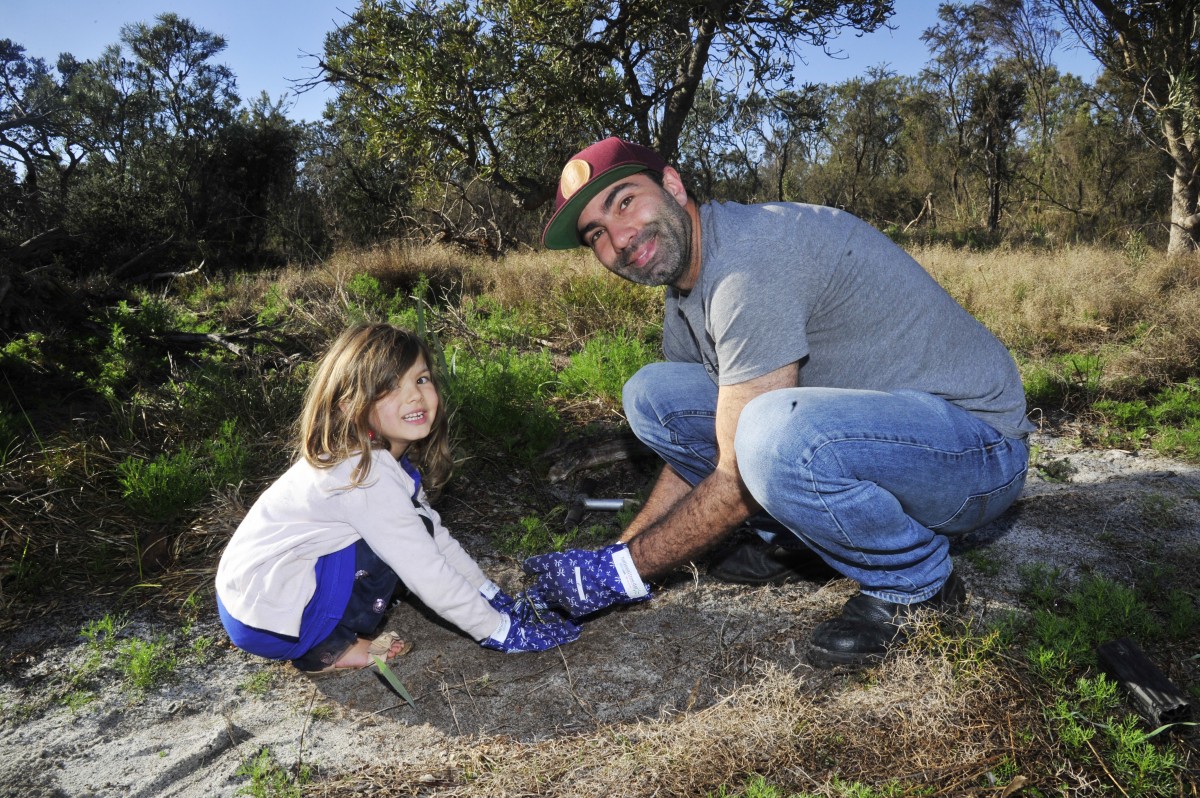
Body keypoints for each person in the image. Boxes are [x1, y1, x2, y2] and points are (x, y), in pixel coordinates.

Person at [524, 137, 1033, 668]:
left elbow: (736, 471)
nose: (621, 238)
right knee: (653, 395)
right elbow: (702, 453)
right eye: (596, 234)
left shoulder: (748, 264)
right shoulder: (685, 295)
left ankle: (918, 585)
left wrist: (625, 572)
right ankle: (796, 540)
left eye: (625, 201)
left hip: (976, 451)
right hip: (879, 432)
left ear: (672, 185)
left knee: (770, 438)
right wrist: (613, 556)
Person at [216, 323, 579, 675]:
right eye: (389, 387)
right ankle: (329, 648)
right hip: (272, 621)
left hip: (253, 605)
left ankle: (330, 634)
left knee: (411, 527)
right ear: (349, 405)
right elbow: (426, 570)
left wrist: (490, 594)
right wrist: (500, 630)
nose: (414, 395)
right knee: (397, 545)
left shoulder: (382, 461)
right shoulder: (364, 473)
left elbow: (435, 535)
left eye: (421, 379)